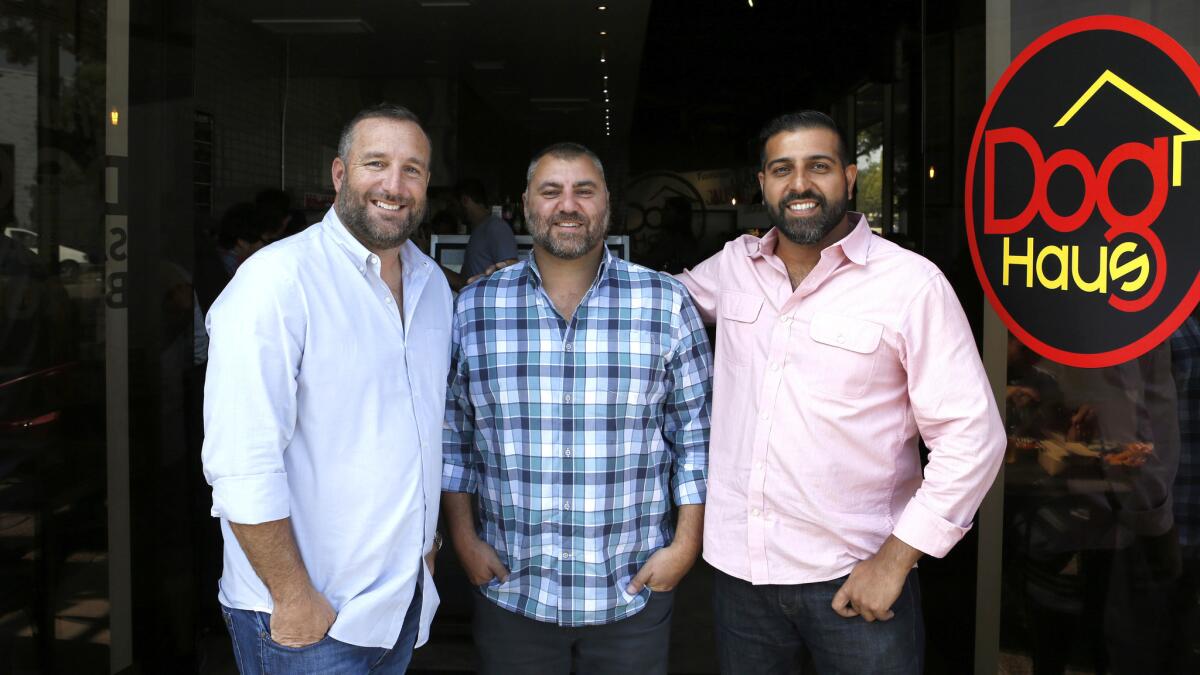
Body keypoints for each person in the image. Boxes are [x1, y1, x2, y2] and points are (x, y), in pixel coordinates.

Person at [676, 110, 1006, 674]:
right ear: (763, 183)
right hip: (742, 578)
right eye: (782, 169)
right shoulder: (734, 266)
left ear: (850, 177)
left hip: (856, 580)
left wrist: (897, 560)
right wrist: (532, 269)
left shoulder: (911, 284)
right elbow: (646, 305)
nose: (799, 184)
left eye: (819, 167)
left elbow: (973, 437)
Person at [442, 142, 713, 674]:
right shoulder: (476, 307)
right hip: (511, 588)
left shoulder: (665, 303)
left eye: (583, 191)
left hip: (631, 589)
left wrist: (685, 547)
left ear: (606, 203)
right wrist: (465, 538)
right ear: (525, 205)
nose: (568, 205)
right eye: (551, 191)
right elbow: (455, 436)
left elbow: (697, 439)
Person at [202, 103, 451, 674]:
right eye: (376, 163)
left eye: (412, 169)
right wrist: (294, 598)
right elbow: (241, 463)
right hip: (310, 619)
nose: (394, 184)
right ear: (339, 174)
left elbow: (418, 428)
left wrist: (426, 547)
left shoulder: (433, 285)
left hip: (399, 604)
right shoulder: (276, 281)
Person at [442, 178, 518, 291]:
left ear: (464, 200)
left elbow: (512, 273)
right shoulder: (478, 231)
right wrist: (427, 261)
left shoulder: (496, 227)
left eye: (453, 204)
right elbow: (463, 283)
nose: (453, 210)